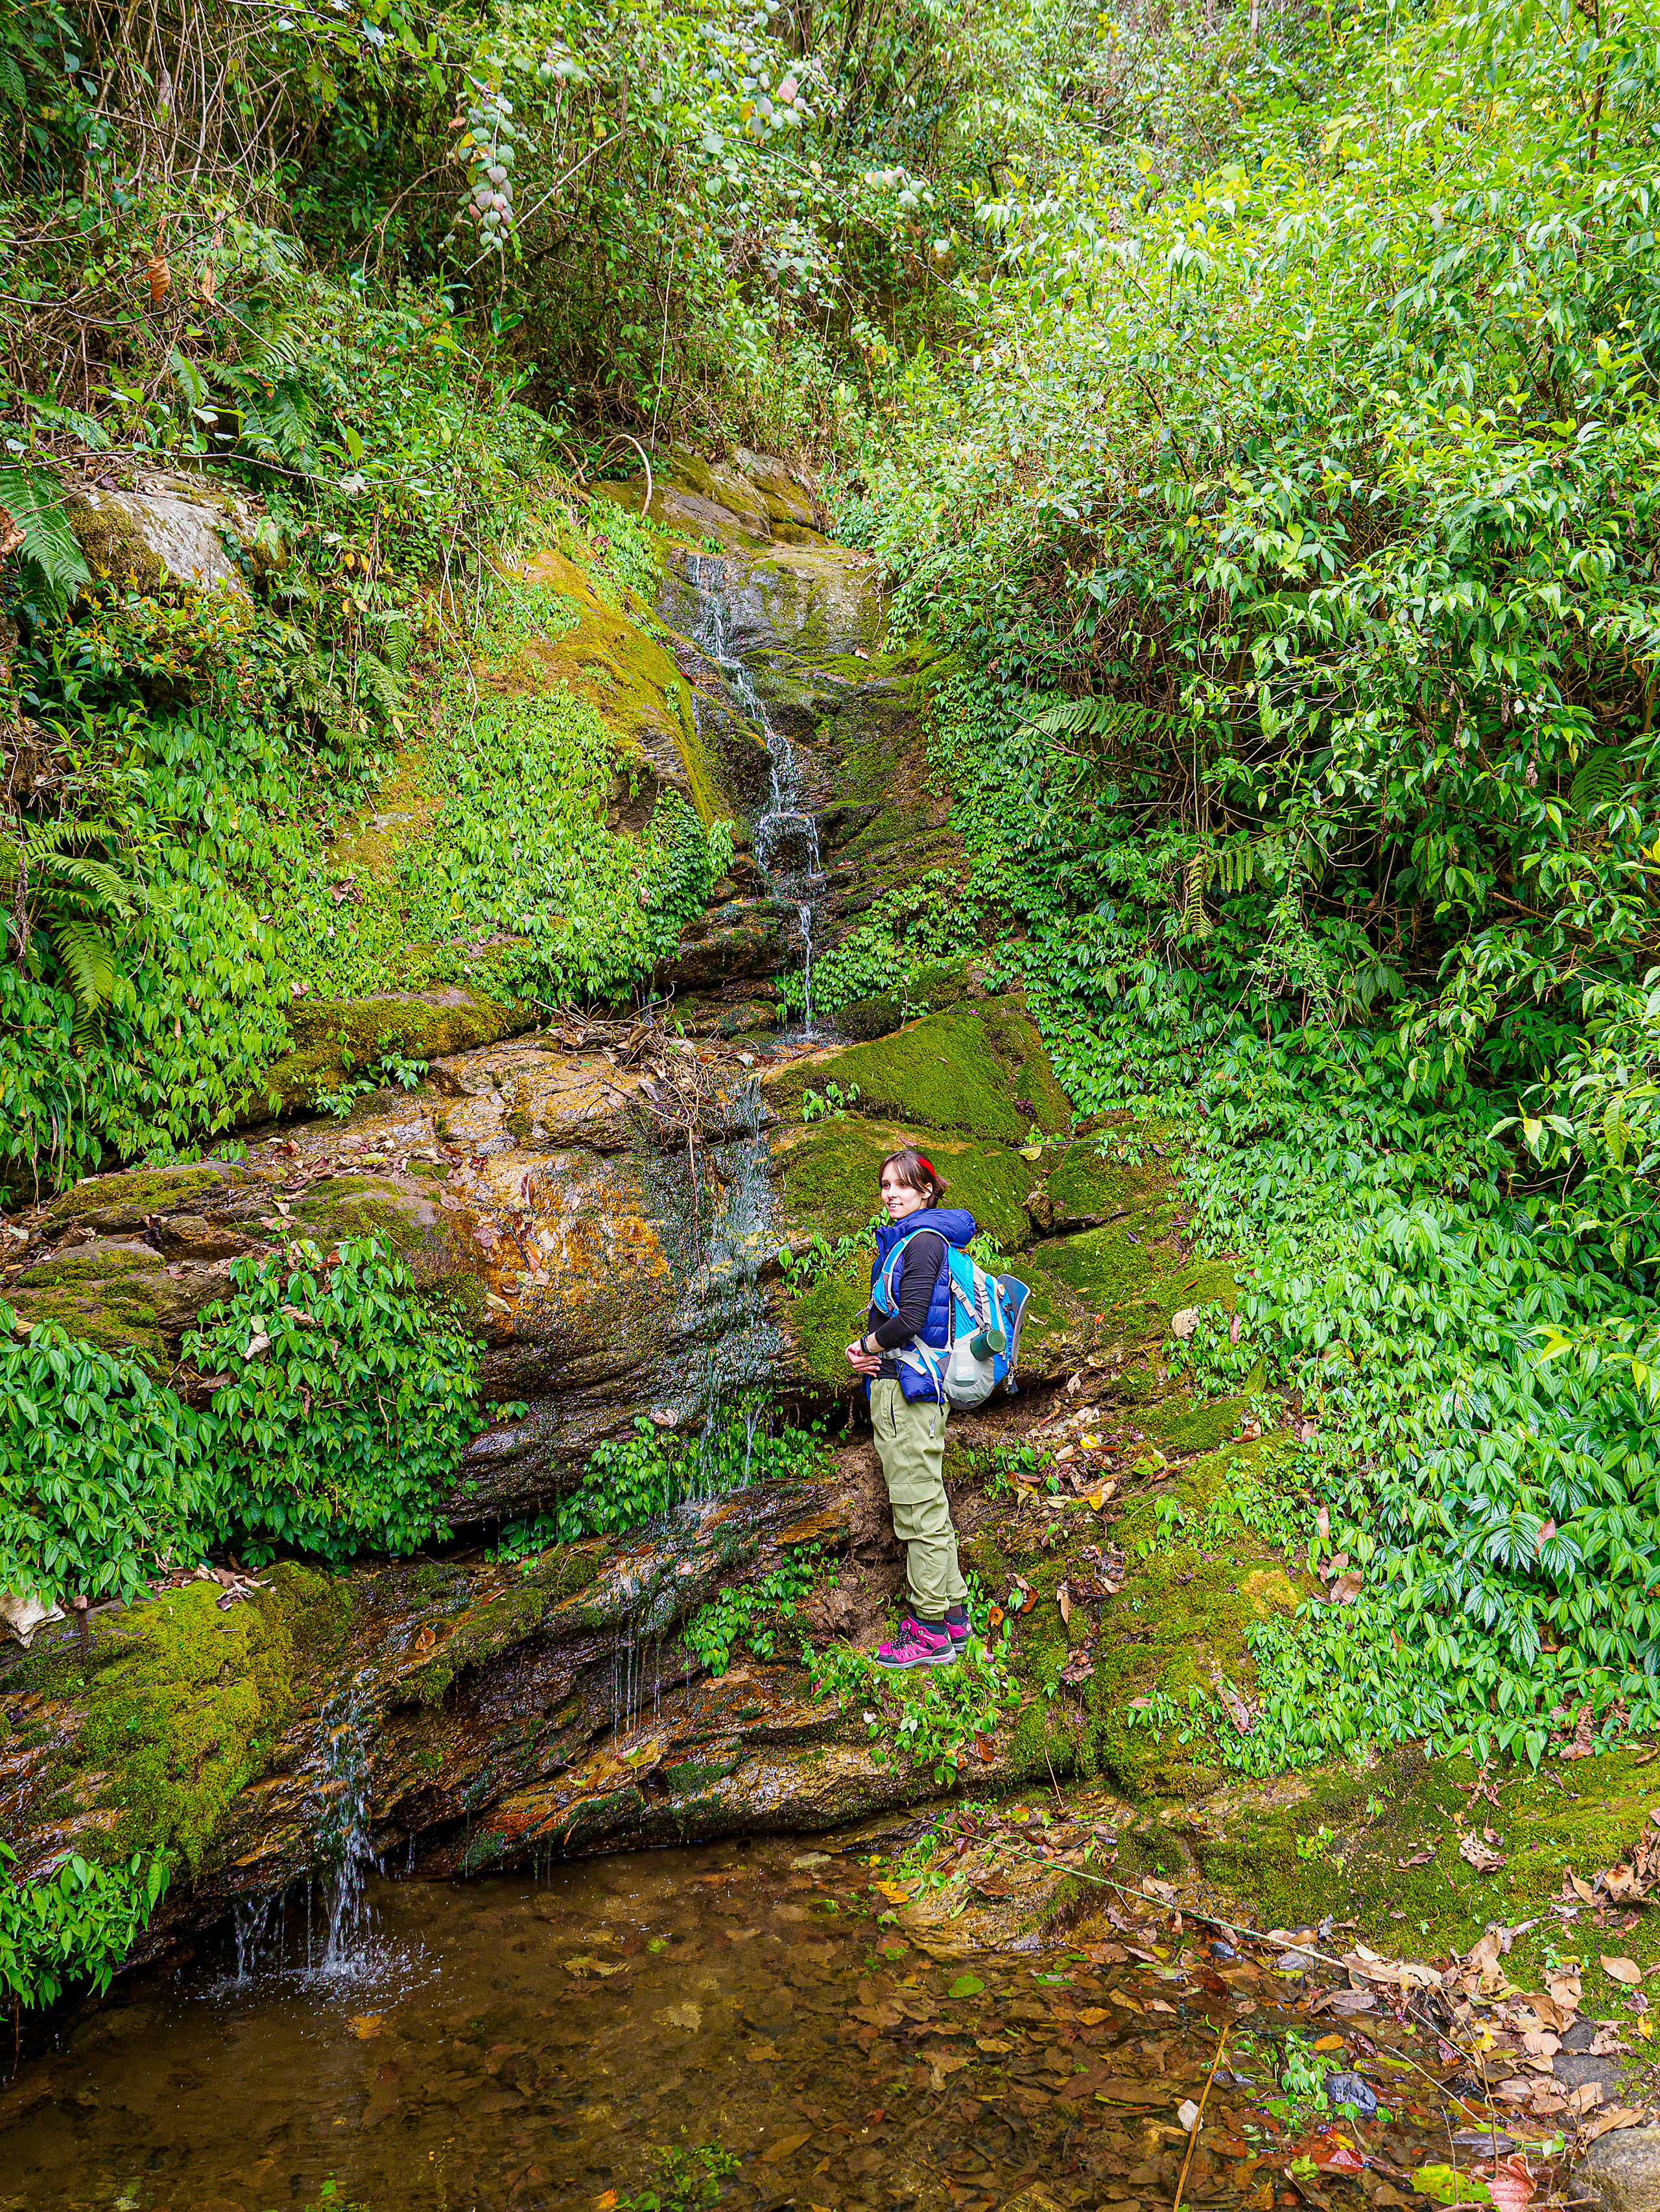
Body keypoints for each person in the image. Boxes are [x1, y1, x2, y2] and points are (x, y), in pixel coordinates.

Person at [844, 1146, 975, 1669]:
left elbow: (912, 1320)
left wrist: (864, 1348)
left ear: (926, 1191)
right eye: (885, 1185)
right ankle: (954, 1617)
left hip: (907, 1393)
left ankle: (929, 1632)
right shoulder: (923, 1238)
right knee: (931, 1508)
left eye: (902, 1185)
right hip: (915, 1388)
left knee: (918, 1512)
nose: (891, 1194)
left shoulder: (921, 1242)